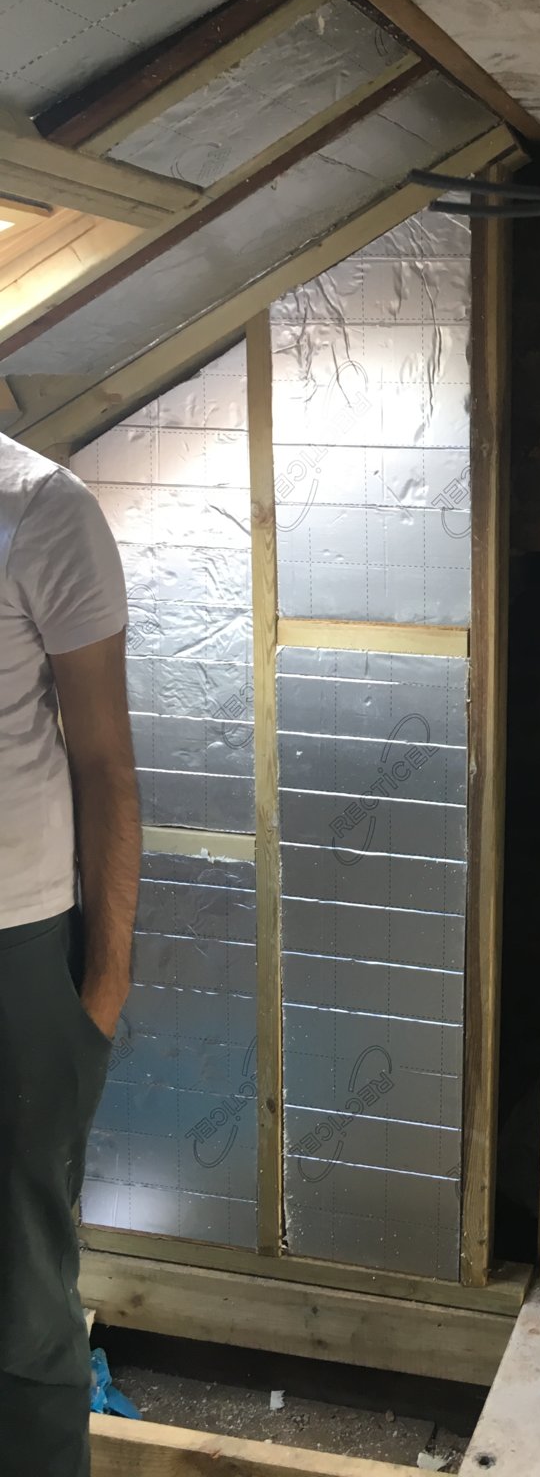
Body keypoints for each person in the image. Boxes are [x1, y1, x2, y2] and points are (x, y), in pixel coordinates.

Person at [0, 431, 141, 1476]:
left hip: (19, 950)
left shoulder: (43, 510)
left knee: (22, 1297)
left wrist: (103, 983)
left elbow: (103, 762)